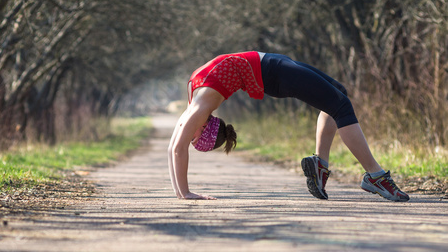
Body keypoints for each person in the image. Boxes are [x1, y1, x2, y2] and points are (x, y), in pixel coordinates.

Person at [167, 51, 410, 202]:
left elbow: (174, 149)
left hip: (274, 65)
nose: (189, 135)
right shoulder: (198, 105)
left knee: (339, 95)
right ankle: (375, 176)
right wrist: (185, 192)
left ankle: (320, 166)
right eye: (193, 138)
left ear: (205, 127)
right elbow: (177, 149)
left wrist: (182, 192)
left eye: (194, 138)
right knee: (341, 106)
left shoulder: (197, 107)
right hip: (274, 74)